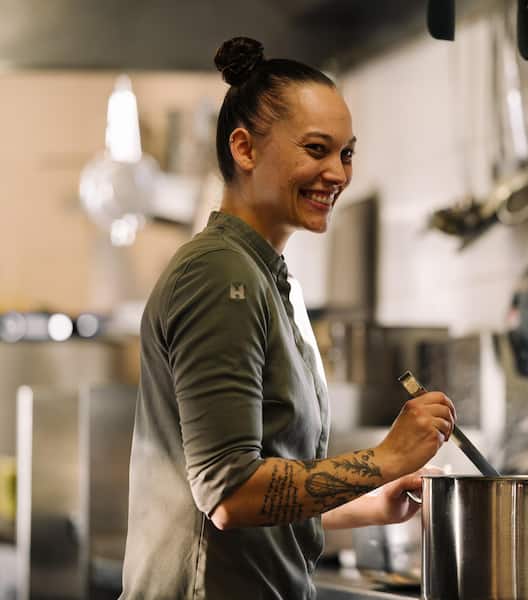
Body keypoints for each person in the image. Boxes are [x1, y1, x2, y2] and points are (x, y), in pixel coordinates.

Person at [120, 36, 456, 599]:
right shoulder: (219, 276)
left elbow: (264, 497)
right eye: (317, 149)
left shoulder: (269, 280)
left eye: (346, 153)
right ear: (245, 149)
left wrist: (374, 499)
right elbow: (229, 496)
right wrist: (385, 457)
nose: (337, 174)